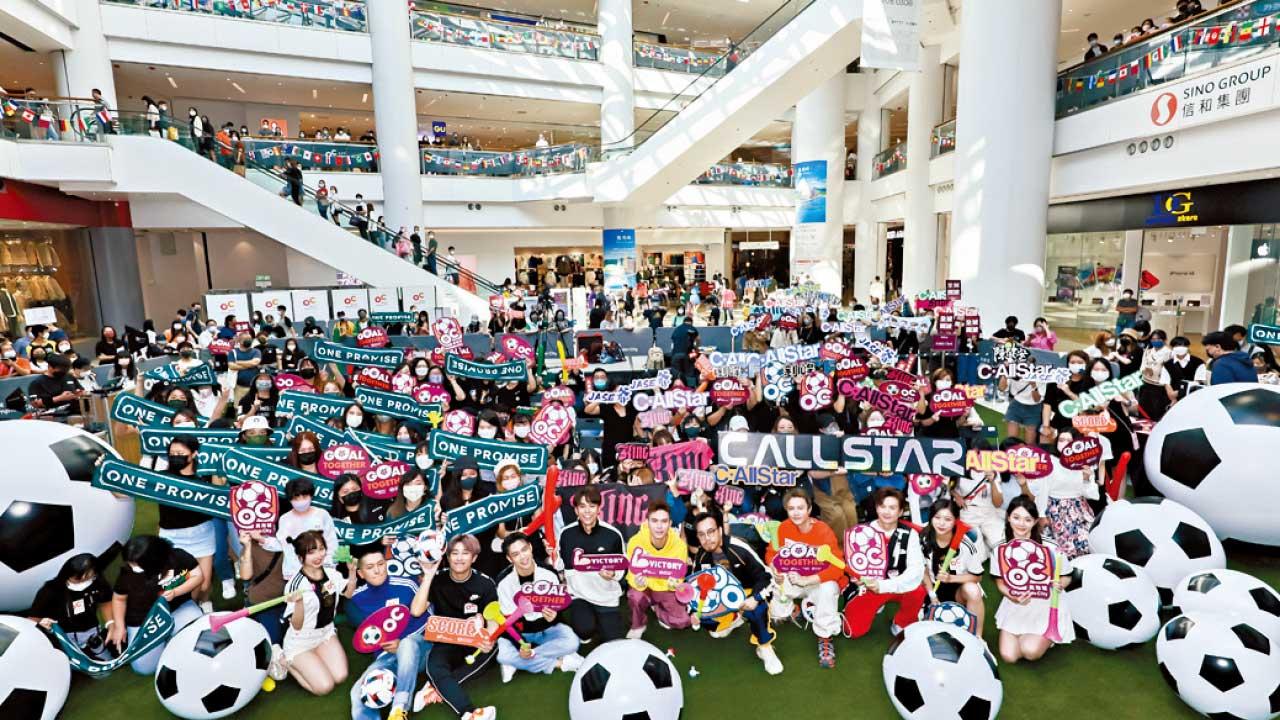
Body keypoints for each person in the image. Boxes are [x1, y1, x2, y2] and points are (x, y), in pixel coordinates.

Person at [688, 512, 783, 674]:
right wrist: (693, 612)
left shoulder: (739, 547)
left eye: (711, 532)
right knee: (712, 628)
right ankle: (734, 618)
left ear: (720, 530)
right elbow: (695, 587)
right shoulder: (701, 556)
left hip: (749, 592)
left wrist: (756, 597)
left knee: (757, 610)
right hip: (721, 596)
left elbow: (765, 576)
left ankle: (764, 647)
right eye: (702, 535)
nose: (707, 538)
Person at [346, 545, 433, 720]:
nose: (377, 570)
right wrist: (383, 645)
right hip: (387, 657)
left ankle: (399, 709)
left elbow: (431, 620)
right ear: (361, 573)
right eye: (370, 567)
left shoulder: (407, 584)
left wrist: (402, 643)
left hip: (421, 649)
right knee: (357, 693)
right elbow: (365, 637)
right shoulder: (356, 599)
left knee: (407, 644)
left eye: (380, 564)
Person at [418, 534, 499, 720]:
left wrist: (488, 638)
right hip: (447, 640)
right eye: (454, 553)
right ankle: (469, 713)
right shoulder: (438, 579)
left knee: (494, 648)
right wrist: (428, 576)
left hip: (475, 641)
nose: (459, 558)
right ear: (447, 557)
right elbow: (416, 610)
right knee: (435, 667)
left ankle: (435, 688)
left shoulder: (485, 583)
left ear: (474, 558)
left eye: (465, 553)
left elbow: (493, 620)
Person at [766, 489, 845, 668]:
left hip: (815, 581)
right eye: (791, 508)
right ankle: (793, 610)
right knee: (775, 601)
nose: (796, 513)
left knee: (829, 587)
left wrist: (808, 580)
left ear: (809, 509)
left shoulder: (823, 530)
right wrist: (774, 569)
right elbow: (771, 554)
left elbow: (837, 566)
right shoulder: (783, 527)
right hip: (792, 578)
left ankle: (825, 635)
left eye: (800, 508)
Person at [992, 496, 1074, 663]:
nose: (1021, 524)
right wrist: (1013, 596)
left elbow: (1067, 576)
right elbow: (1000, 582)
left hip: (1046, 606)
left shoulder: (1050, 546)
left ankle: (1046, 636)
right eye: (1016, 517)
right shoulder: (999, 549)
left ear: (1035, 521)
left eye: (1027, 519)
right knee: (1009, 656)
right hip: (1017, 604)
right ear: (1008, 517)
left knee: (1030, 651)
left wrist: (1060, 584)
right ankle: (1026, 633)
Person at [494, 532, 584, 683]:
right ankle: (561, 663)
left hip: (546, 629)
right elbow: (508, 622)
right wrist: (520, 645)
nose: (523, 557)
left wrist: (555, 615)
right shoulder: (503, 582)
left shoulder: (549, 572)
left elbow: (558, 606)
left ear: (530, 547)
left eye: (524, 550)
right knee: (503, 655)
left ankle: (517, 662)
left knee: (572, 642)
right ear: (509, 558)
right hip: (521, 632)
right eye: (516, 554)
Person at [108, 535, 204, 674]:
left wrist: (176, 592)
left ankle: (174, 639)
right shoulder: (127, 574)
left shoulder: (177, 557)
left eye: (136, 563)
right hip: (144, 621)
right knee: (144, 668)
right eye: (130, 563)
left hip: (177, 609)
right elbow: (119, 599)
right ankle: (169, 642)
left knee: (198, 639)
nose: (132, 567)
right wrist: (119, 626)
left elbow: (197, 575)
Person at [841, 488, 926, 639]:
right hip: (870, 587)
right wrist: (857, 577)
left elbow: (916, 570)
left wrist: (884, 585)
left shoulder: (910, 534)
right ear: (876, 508)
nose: (887, 512)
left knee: (917, 590)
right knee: (853, 631)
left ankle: (902, 623)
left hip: (896, 583)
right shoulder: (861, 532)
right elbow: (854, 565)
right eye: (883, 506)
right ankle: (873, 605)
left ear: (900, 512)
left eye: (892, 507)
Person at [283, 530, 352, 695]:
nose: (318, 555)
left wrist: (352, 571)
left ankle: (314, 659)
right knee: (324, 687)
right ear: (300, 557)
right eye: (311, 552)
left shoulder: (331, 574)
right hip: (301, 641)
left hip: (325, 634)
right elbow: (296, 626)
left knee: (341, 676)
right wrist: (299, 602)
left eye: (321, 549)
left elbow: (348, 593)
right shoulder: (295, 584)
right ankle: (284, 660)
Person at [557, 485, 627, 643]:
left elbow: (622, 566)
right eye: (582, 506)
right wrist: (553, 558)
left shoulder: (613, 534)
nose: (587, 511)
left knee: (614, 641)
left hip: (606, 596)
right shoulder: (566, 533)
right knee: (584, 631)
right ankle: (586, 623)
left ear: (599, 508)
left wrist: (613, 574)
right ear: (576, 510)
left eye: (592, 506)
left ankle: (602, 622)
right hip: (580, 595)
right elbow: (561, 564)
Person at [28, 553, 114, 661]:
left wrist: (110, 623)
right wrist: (43, 624)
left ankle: (99, 651)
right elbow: (33, 619)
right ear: (67, 574)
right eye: (78, 579)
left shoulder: (97, 583)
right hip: (65, 635)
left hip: (92, 630)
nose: (84, 582)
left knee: (101, 652)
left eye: (89, 578)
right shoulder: (50, 591)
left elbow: (105, 602)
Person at [624, 500, 690, 638]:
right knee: (634, 596)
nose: (659, 526)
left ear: (670, 524)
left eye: (664, 521)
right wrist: (638, 583)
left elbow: (678, 577)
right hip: (645, 587)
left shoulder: (680, 546)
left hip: (665, 589)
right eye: (654, 521)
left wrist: (673, 584)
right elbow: (632, 575)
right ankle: (639, 624)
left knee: (682, 622)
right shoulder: (635, 542)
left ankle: (658, 609)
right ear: (647, 522)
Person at [921, 499, 986, 635]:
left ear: (956, 520)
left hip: (959, 590)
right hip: (933, 588)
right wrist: (932, 595)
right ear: (931, 518)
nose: (941, 523)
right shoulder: (923, 539)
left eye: (948, 519)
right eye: (937, 517)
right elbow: (923, 570)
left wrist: (951, 578)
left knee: (973, 590)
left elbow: (977, 577)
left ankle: (978, 637)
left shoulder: (966, 545)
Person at [277, 478, 339, 581]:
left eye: (304, 497)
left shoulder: (322, 515)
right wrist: (263, 540)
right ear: (290, 499)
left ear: (311, 496)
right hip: (294, 573)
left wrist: (328, 566)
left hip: (322, 571)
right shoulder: (284, 519)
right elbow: (284, 546)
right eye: (296, 498)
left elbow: (332, 543)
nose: (300, 501)